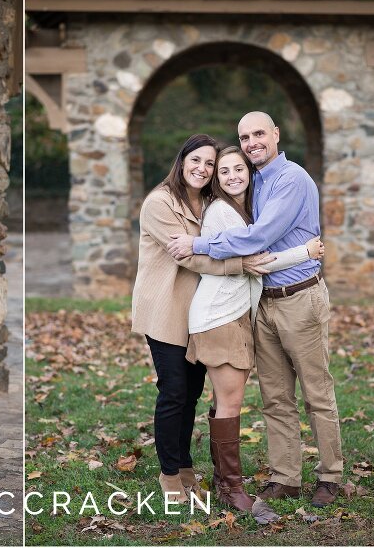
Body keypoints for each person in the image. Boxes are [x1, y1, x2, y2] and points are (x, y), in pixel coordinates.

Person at [167, 112, 343, 508]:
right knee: (276, 398)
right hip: (264, 303)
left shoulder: (290, 179)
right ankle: (286, 478)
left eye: (259, 133)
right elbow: (257, 248)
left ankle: (330, 476)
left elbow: (258, 239)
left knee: (317, 392)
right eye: (244, 136)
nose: (252, 142)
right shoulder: (254, 182)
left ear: (276, 134)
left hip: (300, 297)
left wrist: (196, 244)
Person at [131, 134, 271, 503]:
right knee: (174, 391)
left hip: (198, 312)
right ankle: (169, 474)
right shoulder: (160, 203)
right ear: (182, 161)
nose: (203, 169)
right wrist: (242, 264)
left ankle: (186, 465)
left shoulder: (210, 201)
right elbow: (188, 257)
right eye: (197, 160)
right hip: (165, 308)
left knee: (192, 393)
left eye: (209, 164)